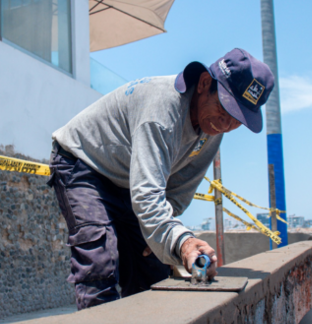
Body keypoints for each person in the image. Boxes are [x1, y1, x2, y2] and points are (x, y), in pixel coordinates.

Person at [47, 49, 274, 310]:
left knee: (152, 269)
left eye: (237, 120)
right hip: (83, 163)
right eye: (225, 109)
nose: (225, 124)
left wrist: (164, 236)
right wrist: (183, 242)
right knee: (100, 263)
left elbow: (179, 190)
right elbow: (147, 196)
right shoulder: (162, 112)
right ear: (203, 83)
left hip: (129, 180)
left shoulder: (213, 129)